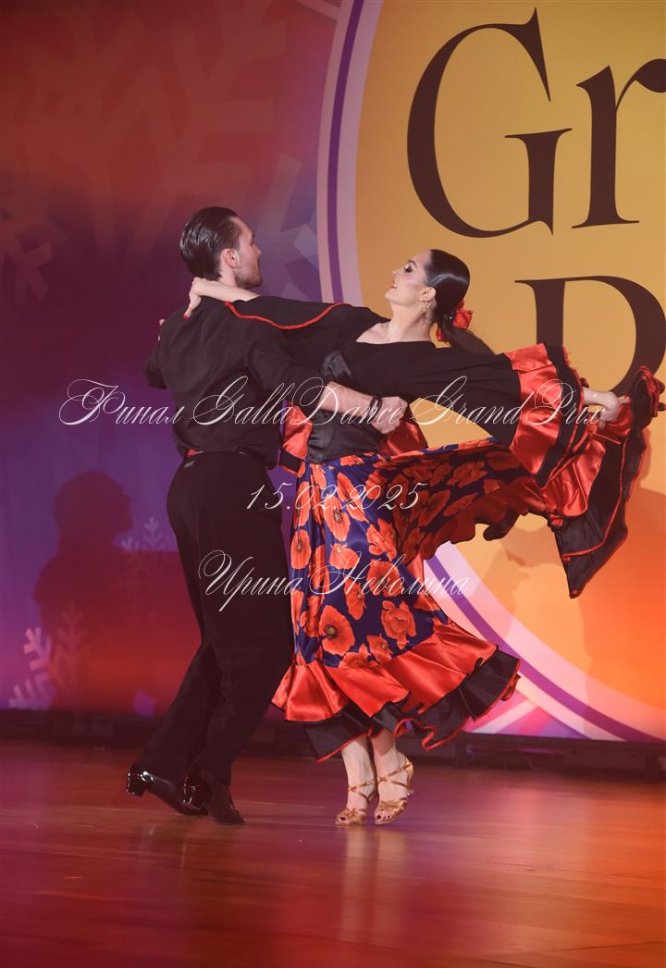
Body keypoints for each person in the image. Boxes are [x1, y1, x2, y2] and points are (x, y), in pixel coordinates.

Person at [187, 248, 664, 826]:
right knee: (315, 629)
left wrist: (598, 400)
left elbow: (508, 384)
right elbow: (274, 308)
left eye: (409, 269)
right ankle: (359, 774)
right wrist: (206, 290)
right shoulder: (355, 323)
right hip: (315, 497)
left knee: (364, 624)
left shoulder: (426, 362)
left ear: (430, 294)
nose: (396, 272)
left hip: (363, 498)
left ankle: (386, 759)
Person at [127, 207, 407, 824]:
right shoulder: (247, 324)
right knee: (267, 647)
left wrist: (184, 314)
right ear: (229, 258)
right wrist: (372, 407)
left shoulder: (179, 328)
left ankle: (169, 764)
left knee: (225, 643)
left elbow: (154, 371)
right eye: (250, 243)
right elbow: (297, 388)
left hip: (190, 490)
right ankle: (205, 770)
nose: (259, 252)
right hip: (230, 489)